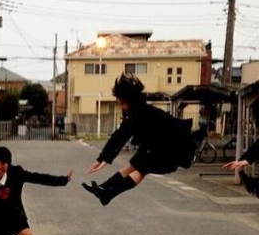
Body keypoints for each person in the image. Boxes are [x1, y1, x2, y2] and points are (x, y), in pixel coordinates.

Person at [82, 74, 197, 205]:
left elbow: (119, 137)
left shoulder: (139, 114)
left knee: (142, 169)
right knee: (133, 165)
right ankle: (104, 188)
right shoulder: (138, 110)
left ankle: (108, 194)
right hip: (158, 146)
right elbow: (119, 136)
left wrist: (103, 159)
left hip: (173, 149)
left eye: (120, 99)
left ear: (126, 99)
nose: (119, 102)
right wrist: (103, 159)